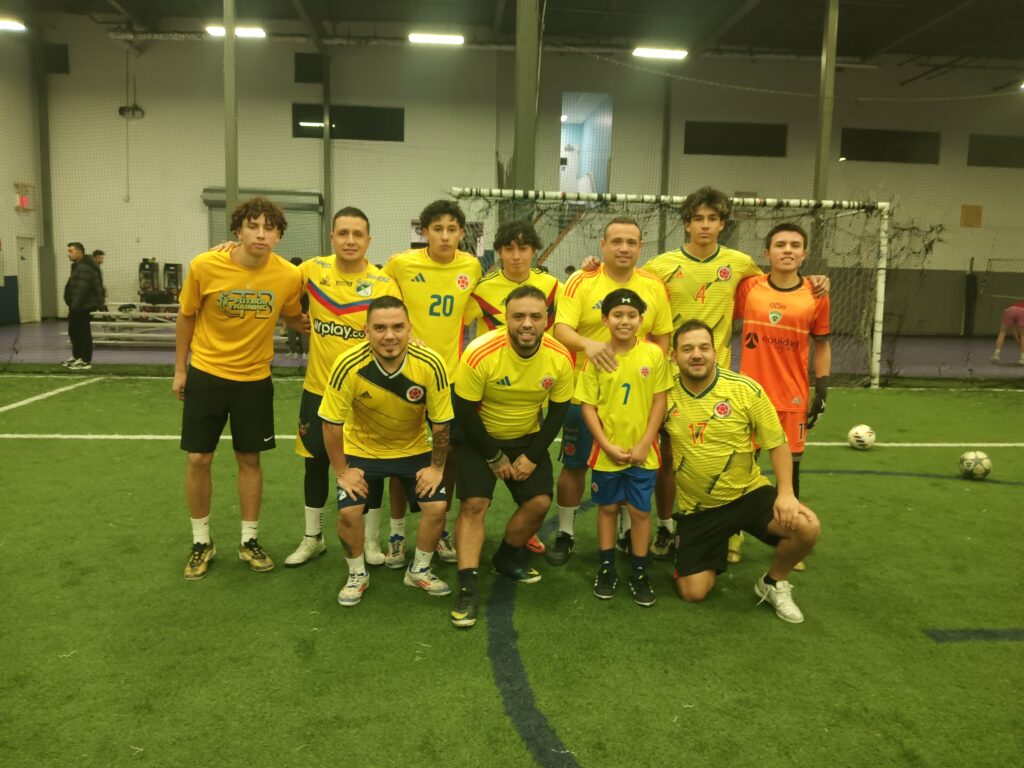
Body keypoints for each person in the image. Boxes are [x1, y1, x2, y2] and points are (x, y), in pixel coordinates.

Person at [642, 187, 829, 563]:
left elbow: (780, 284)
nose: (705, 225)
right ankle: (666, 526)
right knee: (668, 455)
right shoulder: (660, 265)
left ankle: (732, 531)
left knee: (729, 457)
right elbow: (629, 285)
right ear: (686, 224)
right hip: (668, 377)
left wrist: (814, 281)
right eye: (698, 219)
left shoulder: (740, 263)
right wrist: (594, 266)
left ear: (722, 224)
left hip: (719, 378)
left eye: (712, 219)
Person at [174, 197, 306, 581]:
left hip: (254, 380)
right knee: (199, 458)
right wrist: (180, 369)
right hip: (207, 374)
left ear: (279, 235)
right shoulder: (205, 265)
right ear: (237, 231)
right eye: (253, 226)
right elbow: (186, 316)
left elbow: (294, 316)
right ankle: (201, 542)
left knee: (250, 459)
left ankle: (249, 540)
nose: (261, 234)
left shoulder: (288, 276)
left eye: (269, 228)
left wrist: (327, 322)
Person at [663, 320, 821, 623]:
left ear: (716, 352)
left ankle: (773, 582)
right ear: (674, 356)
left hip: (747, 495)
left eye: (704, 348)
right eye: (687, 349)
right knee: (693, 592)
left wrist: (786, 494)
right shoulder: (664, 393)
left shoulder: (745, 389)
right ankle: (711, 545)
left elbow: (777, 443)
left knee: (807, 527)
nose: (696, 355)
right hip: (700, 509)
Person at [546, 216, 672, 566]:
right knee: (574, 465)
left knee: (631, 461)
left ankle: (627, 533)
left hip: (636, 399)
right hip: (583, 395)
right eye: (616, 241)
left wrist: (649, 377)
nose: (623, 248)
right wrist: (589, 344)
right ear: (603, 245)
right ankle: (566, 533)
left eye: (631, 242)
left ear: (640, 247)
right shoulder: (581, 280)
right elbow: (561, 330)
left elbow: (662, 338)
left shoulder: (654, 286)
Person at [281, 208, 402, 570]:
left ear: (368, 240)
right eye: (343, 233)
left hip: (367, 393)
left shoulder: (382, 283)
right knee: (315, 463)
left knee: (371, 468)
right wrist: (291, 318)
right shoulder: (311, 270)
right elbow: (270, 277)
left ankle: (371, 540)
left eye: (357, 234)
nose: (350, 241)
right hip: (319, 390)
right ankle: (313, 538)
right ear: (332, 237)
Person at [449, 286, 575, 628]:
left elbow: (557, 412)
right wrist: (493, 455)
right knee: (474, 504)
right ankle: (468, 587)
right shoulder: (480, 353)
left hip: (527, 439)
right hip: (479, 437)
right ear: (506, 319)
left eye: (535, 316)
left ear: (547, 320)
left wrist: (533, 456)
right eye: (518, 316)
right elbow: (463, 411)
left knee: (539, 502)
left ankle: (505, 559)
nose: (527, 324)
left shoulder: (560, 357)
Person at [318, 296, 454, 607]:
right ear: (366, 330)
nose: (389, 336)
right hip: (362, 449)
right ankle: (357, 574)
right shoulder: (348, 364)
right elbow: (331, 424)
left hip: (413, 449)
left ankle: (419, 570)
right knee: (349, 511)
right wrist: (342, 472)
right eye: (380, 328)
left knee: (437, 507)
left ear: (409, 328)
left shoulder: (430, 363)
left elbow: (441, 423)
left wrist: (436, 468)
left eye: (397, 327)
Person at [381, 200, 483, 568]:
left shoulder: (471, 267)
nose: (444, 236)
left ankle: (439, 530)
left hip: (449, 377)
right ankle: (396, 534)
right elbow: (378, 298)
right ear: (424, 232)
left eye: (452, 229)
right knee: (398, 456)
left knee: (448, 455)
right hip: (405, 373)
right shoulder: (401, 264)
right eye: (437, 229)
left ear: (461, 233)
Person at [733, 223, 831, 568]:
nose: (787, 250)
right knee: (740, 469)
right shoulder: (749, 288)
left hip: (791, 399)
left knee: (791, 475)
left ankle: (790, 538)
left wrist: (822, 385)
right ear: (767, 253)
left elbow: (822, 344)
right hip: (748, 397)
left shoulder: (816, 294)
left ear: (804, 254)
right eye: (780, 244)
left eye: (794, 245)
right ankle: (733, 535)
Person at [464, 219, 562, 554]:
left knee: (532, 483)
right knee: (473, 481)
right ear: (499, 252)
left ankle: (525, 529)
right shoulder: (482, 288)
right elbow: (454, 322)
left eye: (523, 248)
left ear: (534, 250)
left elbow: (567, 324)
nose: (516, 256)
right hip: (488, 388)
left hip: (532, 387)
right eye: (509, 248)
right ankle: (461, 528)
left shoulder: (552, 285)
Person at [575, 289, 673, 606]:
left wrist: (645, 443)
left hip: (644, 454)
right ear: (605, 319)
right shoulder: (597, 357)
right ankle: (607, 568)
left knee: (641, 511)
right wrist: (605, 445)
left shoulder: (654, 355)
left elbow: (660, 400)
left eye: (631, 315)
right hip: (607, 453)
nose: (625, 321)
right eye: (617, 315)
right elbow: (588, 406)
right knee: (607, 508)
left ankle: (639, 572)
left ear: (641, 320)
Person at [62, 242, 104, 370]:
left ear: (79, 252)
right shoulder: (78, 266)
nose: (68, 254)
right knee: (74, 331)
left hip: (82, 306)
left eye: (71, 251)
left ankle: (85, 360)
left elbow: (82, 290)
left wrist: (74, 305)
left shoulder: (85, 267)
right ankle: (77, 356)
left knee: (82, 332)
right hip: (77, 305)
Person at [285, 256, 310, 360]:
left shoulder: (290, 278)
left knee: (292, 330)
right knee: (303, 331)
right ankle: (305, 352)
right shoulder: (305, 278)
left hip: (292, 309)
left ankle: (294, 351)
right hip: (303, 308)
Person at [991, 301, 1024, 365]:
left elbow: (1013, 326)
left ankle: (996, 354)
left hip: (1009, 310)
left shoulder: (1016, 305)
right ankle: (1023, 358)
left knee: (1002, 332)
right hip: (1022, 311)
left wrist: (1016, 338)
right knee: (1023, 335)